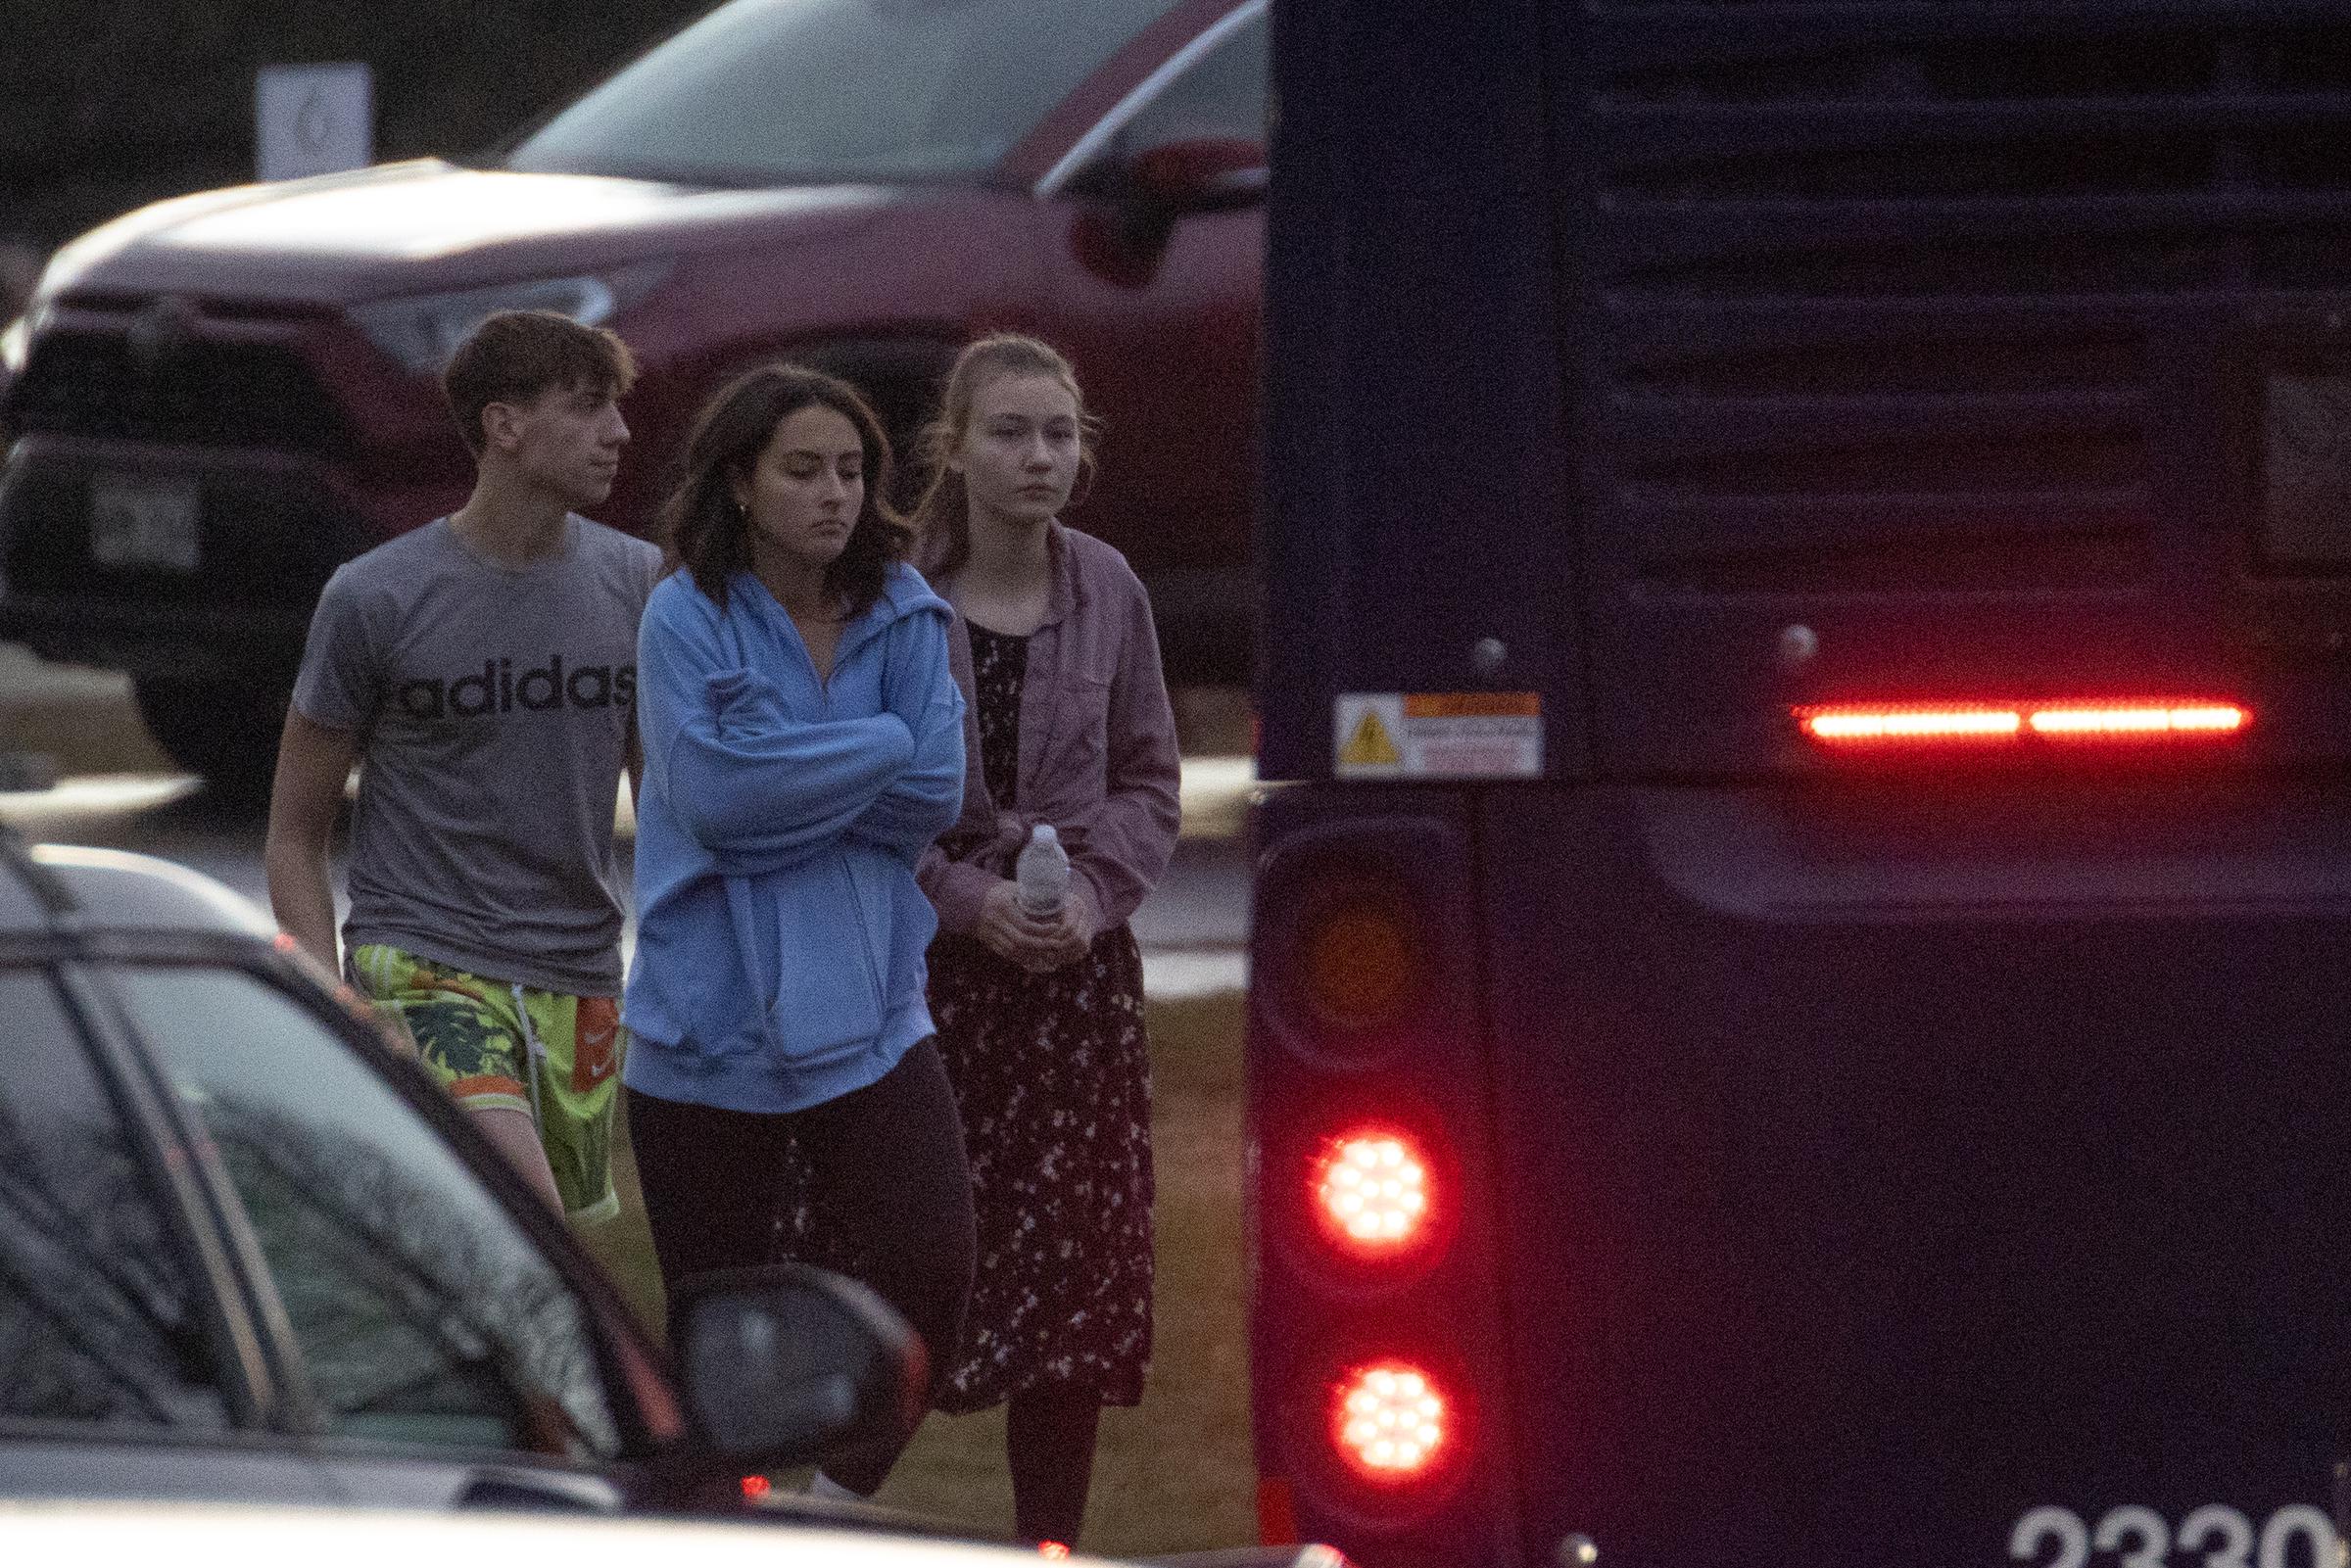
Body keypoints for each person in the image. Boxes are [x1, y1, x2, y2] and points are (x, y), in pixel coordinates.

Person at [621, 364, 975, 1501]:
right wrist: (875, 742)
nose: (836, 494)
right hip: (703, 1034)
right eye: (804, 469)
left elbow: (937, 790)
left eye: (853, 470)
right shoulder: (683, 612)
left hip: (874, 1015)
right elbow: (717, 799)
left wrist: (800, 779)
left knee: (936, 1265)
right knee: (719, 1336)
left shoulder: (910, 610)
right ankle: (723, 1528)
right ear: (740, 479)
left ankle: (837, 1496)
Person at [265, 308, 655, 1224]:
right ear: (504, 425)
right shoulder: (375, 597)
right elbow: (292, 834)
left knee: (530, 1278)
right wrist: (330, 1011)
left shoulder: (640, 583)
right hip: (424, 963)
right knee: (523, 1218)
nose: (621, 432)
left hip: (580, 975)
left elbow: (668, 808)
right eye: (589, 407)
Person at [909, 334, 1182, 1545]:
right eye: (1011, 432)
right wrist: (972, 903)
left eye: (1059, 434)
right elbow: (860, 813)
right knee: (914, 1254)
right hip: (923, 984)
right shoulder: (894, 592)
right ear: (955, 447)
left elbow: (1152, 780)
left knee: (1072, 1276)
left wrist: (1088, 899)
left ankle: (1047, 1543)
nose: (1039, 457)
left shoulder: (1109, 587)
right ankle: (801, 1505)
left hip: (1074, 985)